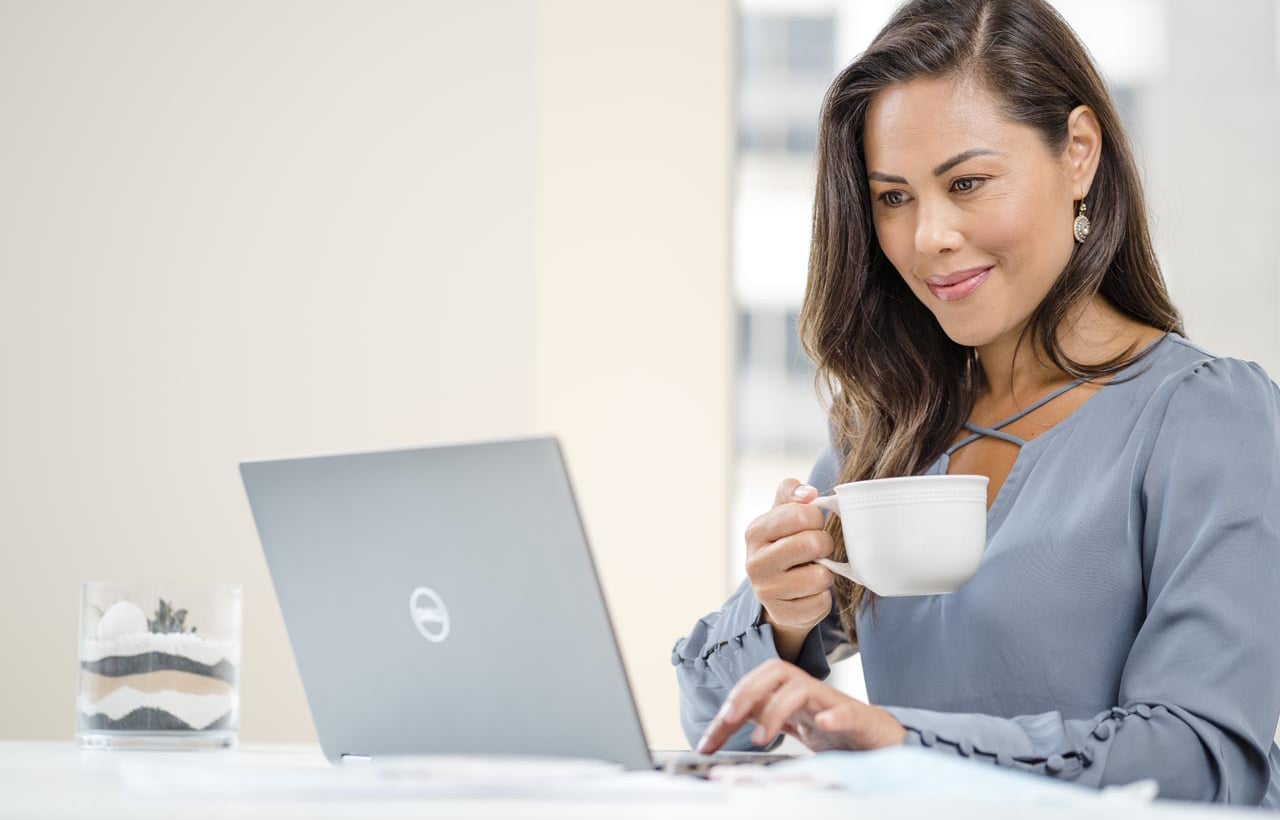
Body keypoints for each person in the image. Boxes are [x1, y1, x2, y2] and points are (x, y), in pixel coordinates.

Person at [672, 0, 1280, 805]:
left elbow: (1201, 761)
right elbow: (713, 723)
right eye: (893, 197)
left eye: (968, 182)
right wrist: (782, 619)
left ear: (1079, 155)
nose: (928, 237)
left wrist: (905, 743)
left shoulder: (1208, 418)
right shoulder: (895, 423)